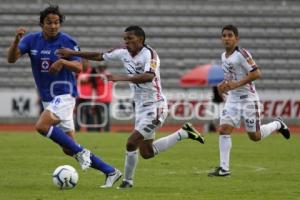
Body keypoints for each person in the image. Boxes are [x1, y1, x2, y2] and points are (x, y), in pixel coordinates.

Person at [57, 25, 205, 189]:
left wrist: (120, 78)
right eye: (125, 39)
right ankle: (183, 133)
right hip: (141, 108)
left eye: (130, 39)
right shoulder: (123, 53)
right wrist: (72, 53)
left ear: (140, 40)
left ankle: (127, 182)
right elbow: (99, 56)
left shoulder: (150, 54)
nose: (126, 42)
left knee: (131, 142)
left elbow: (149, 76)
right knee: (147, 153)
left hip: (156, 107)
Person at [6, 5, 121, 188]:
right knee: (69, 148)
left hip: (64, 94)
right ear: (42, 24)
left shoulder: (67, 40)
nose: (53, 26)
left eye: (57, 22)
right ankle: (110, 171)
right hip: (47, 97)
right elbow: (11, 59)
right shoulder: (31, 40)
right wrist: (15, 40)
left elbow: (79, 67)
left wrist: (62, 61)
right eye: (49, 23)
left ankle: (82, 153)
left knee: (41, 126)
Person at [208, 24, 290, 177]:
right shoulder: (223, 56)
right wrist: (223, 85)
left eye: (230, 35)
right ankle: (224, 169)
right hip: (233, 98)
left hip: (248, 99)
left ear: (236, 38)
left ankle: (278, 124)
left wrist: (237, 84)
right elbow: (231, 76)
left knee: (255, 136)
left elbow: (257, 73)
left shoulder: (242, 54)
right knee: (223, 130)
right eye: (224, 35)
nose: (226, 38)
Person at [92, 62, 113, 132]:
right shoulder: (98, 76)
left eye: (101, 67)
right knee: (100, 115)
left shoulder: (105, 76)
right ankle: (100, 129)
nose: (100, 68)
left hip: (105, 98)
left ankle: (105, 129)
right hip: (100, 98)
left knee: (105, 116)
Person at [74, 58, 94, 132]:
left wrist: (86, 80)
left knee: (89, 112)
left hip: (88, 95)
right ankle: (77, 128)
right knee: (79, 113)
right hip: (79, 96)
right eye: (83, 62)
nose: (85, 63)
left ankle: (91, 129)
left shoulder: (91, 71)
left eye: (86, 62)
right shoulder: (78, 70)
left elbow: (92, 80)